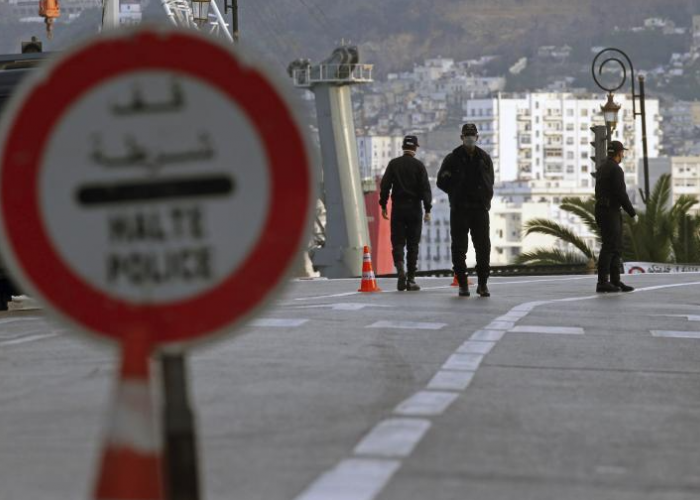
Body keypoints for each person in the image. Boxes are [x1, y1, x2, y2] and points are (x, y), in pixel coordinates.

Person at [437, 123, 494, 297]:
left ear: (477, 137)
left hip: (479, 209)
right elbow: (441, 181)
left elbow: (489, 181)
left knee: (483, 247)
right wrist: (455, 192)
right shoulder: (452, 158)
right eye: (466, 135)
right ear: (461, 137)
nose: (470, 138)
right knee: (459, 248)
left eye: (472, 135)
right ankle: (463, 284)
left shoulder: (484, 158)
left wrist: (485, 198)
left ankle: (482, 284)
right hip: (460, 209)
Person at [379, 135, 432, 291]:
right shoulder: (419, 166)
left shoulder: (394, 164)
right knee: (413, 245)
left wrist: (383, 205)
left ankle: (400, 269)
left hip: (398, 208)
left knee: (398, 242)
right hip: (415, 209)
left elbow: (385, 186)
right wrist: (427, 209)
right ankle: (410, 279)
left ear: (403, 147)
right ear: (415, 148)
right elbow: (425, 189)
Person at [594, 140, 637, 293]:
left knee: (615, 246)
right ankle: (603, 282)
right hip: (610, 211)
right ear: (619, 153)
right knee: (610, 247)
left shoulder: (602, 168)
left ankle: (615, 281)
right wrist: (632, 212)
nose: (623, 155)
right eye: (622, 152)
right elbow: (620, 194)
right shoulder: (616, 170)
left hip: (603, 209)